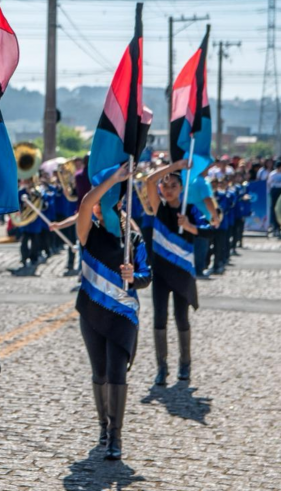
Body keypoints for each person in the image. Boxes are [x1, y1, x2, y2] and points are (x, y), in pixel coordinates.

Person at [73, 165, 151, 460]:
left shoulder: (133, 240)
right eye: (97, 206)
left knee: (117, 373)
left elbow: (147, 275)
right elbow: (83, 204)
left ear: (118, 207)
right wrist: (113, 180)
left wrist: (134, 276)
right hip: (91, 312)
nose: (98, 210)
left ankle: (116, 437)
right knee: (100, 372)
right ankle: (103, 427)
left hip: (123, 316)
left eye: (106, 205)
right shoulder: (88, 233)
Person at [145, 160, 213, 385]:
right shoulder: (159, 208)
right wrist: (175, 166)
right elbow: (149, 180)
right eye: (166, 185)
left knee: (181, 318)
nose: (169, 188)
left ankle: (185, 364)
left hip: (183, 272)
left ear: (181, 188)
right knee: (159, 318)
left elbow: (207, 231)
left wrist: (189, 225)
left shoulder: (190, 210)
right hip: (161, 273)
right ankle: (161, 367)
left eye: (174, 184)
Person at [267, 161, 281, 238]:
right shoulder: (272, 174)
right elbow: (269, 183)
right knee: (275, 210)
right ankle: (275, 227)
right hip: (275, 191)